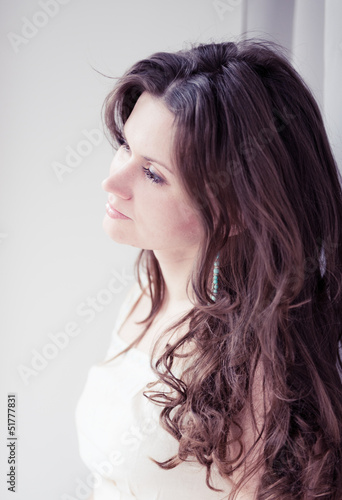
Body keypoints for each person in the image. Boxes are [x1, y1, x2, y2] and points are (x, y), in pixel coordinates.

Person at [75, 39, 342, 500]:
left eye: (153, 174)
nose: (112, 182)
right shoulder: (147, 289)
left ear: (234, 210)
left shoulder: (257, 361)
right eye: (124, 147)